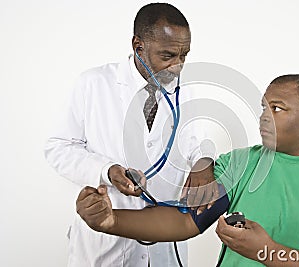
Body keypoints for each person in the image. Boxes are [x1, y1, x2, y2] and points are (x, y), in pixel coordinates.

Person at [75, 74, 299, 266]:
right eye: (263, 106)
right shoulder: (240, 163)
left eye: (277, 108)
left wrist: (268, 252)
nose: (263, 116)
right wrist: (110, 220)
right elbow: (184, 221)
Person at [44, 3, 217, 267]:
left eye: (184, 55)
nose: (177, 66)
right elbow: (59, 147)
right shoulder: (94, 83)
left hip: (164, 240)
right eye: (168, 55)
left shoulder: (187, 91)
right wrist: (107, 170)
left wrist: (204, 162)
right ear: (138, 45)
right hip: (107, 242)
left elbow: (197, 144)